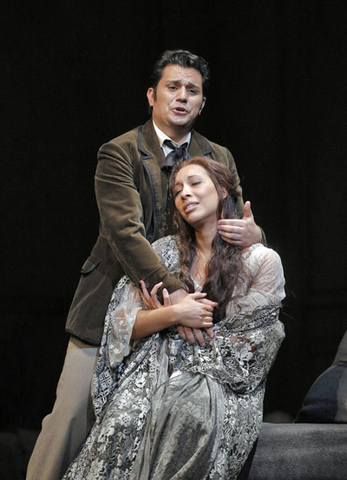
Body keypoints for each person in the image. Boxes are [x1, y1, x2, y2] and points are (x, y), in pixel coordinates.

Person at [26, 50, 263, 480]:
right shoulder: (120, 151)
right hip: (114, 306)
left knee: (161, 426)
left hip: (186, 315)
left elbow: (236, 225)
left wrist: (256, 236)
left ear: (202, 102)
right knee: (72, 417)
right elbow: (123, 232)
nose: (182, 97)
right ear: (152, 95)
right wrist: (171, 289)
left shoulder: (218, 155)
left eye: (192, 90)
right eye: (173, 87)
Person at [62, 157, 286, 480]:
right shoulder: (163, 254)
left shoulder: (260, 261)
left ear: (222, 190)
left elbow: (247, 349)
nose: (184, 194)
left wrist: (172, 326)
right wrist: (175, 313)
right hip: (153, 373)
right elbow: (122, 324)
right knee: (122, 419)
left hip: (221, 386)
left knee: (184, 409)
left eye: (195, 183)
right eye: (178, 190)